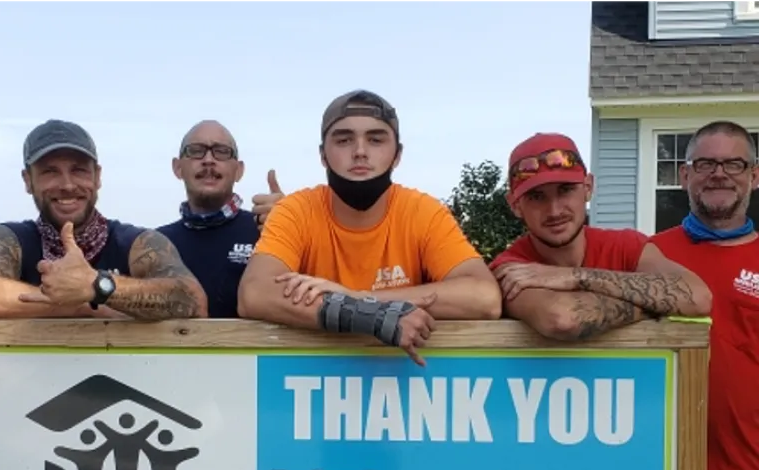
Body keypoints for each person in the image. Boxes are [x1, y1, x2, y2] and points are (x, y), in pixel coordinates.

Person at [238, 89, 501, 365]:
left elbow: (484, 296)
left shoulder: (423, 211)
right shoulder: (295, 210)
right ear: (323, 155)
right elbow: (255, 293)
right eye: (344, 140)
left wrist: (359, 297)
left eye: (376, 139)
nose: (360, 152)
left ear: (397, 154)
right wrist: (368, 314)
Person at [649, 120, 759, 470]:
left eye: (733, 163)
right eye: (705, 164)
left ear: (754, 175)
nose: (719, 174)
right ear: (683, 175)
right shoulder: (649, 255)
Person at [0, 119, 207, 320]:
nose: (67, 185)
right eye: (50, 171)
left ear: (97, 177)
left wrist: (98, 285)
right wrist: (82, 304)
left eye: (79, 170)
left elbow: (192, 301)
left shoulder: (137, 242)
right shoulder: (11, 239)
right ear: (28, 180)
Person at [488, 132, 711, 341]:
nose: (554, 210)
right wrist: (657, 304)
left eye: (565, 190)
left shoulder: (624, 245)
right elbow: (563, 319)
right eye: (537, 197)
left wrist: (574, 276)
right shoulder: (511, 268)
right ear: (515, 206)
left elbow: (698, 296)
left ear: (588, 187)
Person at [156, 120, 278, 318]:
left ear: (239, 170)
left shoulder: (267, 231)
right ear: (177, 168)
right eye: (196, 151)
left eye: (221, 151)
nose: (208, 160)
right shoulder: (155, 243)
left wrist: (292, 225)